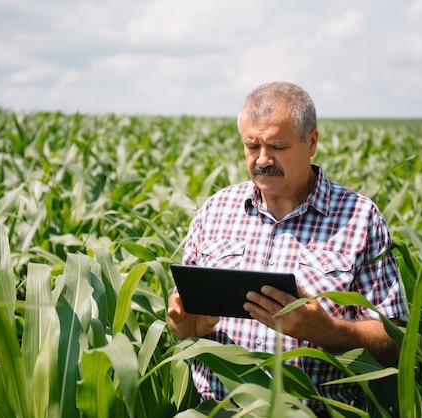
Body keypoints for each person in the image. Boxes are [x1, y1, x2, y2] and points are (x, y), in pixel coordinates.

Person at [167, 81, 407, 416]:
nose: (263, 160)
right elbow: (181, 317)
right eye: (252, 146)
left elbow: (395, 341)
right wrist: (184, 329)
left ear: (311, 142)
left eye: (277, 146)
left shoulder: (358, 218)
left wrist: (327, 331)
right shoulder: (215, 210)